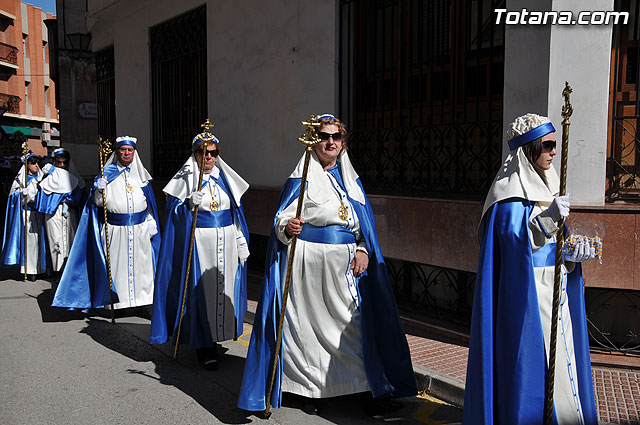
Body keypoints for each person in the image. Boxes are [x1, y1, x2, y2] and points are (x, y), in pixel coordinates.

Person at [238, 114, 416, 416]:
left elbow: (363, 226)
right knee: (306, 332)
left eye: (335, 137)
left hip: (346, 269)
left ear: (343, 143)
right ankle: (307, 390)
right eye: (324, 136)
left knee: (351, 329)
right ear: (314, 141)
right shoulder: (301, 178)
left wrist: (363, 249)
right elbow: (282, 218)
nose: (330, 142)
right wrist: (288, 226)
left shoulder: (351, 181)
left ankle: (366, 388)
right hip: (308, 268)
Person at [462, 113, 599, 425]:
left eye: (555, 145)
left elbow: (555, 244)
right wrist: (549, 220)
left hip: (556, 290)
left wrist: (573, 255)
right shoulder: (506, 198)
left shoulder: (549, 190)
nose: (553, 152)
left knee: (562, 363)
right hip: (527, 297)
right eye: (547, 145)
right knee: (531, 366)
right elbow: (511, 245)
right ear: (529, 149)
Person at [150, 131, 250, 371]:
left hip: (225, 243)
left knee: (222, 290)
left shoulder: (225, 179)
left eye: (213, 153)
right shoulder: (185, 179)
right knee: (201, 293)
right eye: (202, 153)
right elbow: (173, 219)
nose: (208, 158)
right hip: (199, 245)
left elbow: (235, 213)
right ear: (194, 154)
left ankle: (216, 337)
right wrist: (186, 205)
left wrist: (240, 239)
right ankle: (203, 345)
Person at [52, 136, 161, 310]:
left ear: (134, 152)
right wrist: (98, 190)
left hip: (140, 230)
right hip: (115, 230)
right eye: (123, 149)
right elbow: (98, 205)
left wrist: (151, 222)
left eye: (130, 150)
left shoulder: (141, 176)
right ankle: (116, 304)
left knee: (142, 270)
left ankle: (143, 303)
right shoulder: (106, 175)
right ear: (117, 152)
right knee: (118, 269)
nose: (126, 153)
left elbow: (149, 205)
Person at [35, 148, 87, 274]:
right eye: (59, 162)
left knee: (70, 239)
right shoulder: (48, 178)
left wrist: (69, 199)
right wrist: (57, 198)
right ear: (55, 162)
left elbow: (79, 197)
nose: (62, 166)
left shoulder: (73, 179)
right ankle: (57, 269)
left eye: (65, 163)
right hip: (53, 213)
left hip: (70, 213)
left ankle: (69, 268)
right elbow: (42, 199)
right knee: (55, 240)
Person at [1, 153, 49, 280]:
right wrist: (21, 194)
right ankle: (30, 269)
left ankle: (42, 268)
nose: (36, 166)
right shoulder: (20, 180)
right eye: (33, 163)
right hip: (27, 214)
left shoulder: (42, 178)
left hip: (39, 213)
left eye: (37, 163)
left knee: (41, 241)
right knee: (30, 242)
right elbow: (13, 197)